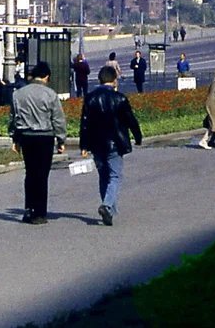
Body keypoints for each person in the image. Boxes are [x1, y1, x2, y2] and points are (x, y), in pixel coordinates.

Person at [79, 65, 143, 226]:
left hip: (96, 144)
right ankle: (107, 206)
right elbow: (130, 120)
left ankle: (109, 211)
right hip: (115, 143)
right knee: (115, 176)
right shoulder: (120, 98)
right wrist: (138, 136)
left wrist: (84, 145)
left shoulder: (90, 98)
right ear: (114, 80)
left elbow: (84, 124)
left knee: (103, 176)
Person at [8, 62, 66, 225]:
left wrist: (15, 139)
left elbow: (14, 119)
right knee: (42, 175)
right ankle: (40, 213)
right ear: (46, 76)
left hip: (26, 136)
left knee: (30, 173)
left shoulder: (18, 94)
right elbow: (58, 119)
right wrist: (61, 139)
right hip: (44, 137)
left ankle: (29, 208)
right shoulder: (50, 94)